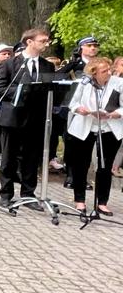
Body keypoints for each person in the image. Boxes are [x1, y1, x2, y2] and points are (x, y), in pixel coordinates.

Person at [0, 27, 55, 209]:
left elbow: (50, 90)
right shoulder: (10, 64)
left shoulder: (47, 65)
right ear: (29, 42)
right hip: (13, 117)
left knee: (31, 158)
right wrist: (21, 90)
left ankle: (28, 194)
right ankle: (6, 194)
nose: (46, 44)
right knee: (9, 157)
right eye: (42, 41)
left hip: (36, 118)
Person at [65, 56, 122, 216]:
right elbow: (72, 103)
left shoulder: (119, 83)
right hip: (85, 126)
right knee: (80, 164)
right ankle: (80, 200)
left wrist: (115, 114)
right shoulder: (83, 84)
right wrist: (79, 109)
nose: (109, 73)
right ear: (94, 73)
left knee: (105, 165)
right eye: (104, 71)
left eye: (109, 69)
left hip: (109, 127)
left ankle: (102, 202)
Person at [57, 36, 100, 188]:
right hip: (73, 108)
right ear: (81, 47)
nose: (93, 48)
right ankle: (70, 176)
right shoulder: (74, 64)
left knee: (88, 145)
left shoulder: (101, 65)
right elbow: (58, 78)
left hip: (92, 110)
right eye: (89, 45)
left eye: (95, 46)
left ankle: (82, 178)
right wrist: (70, 66)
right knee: (71, 143)